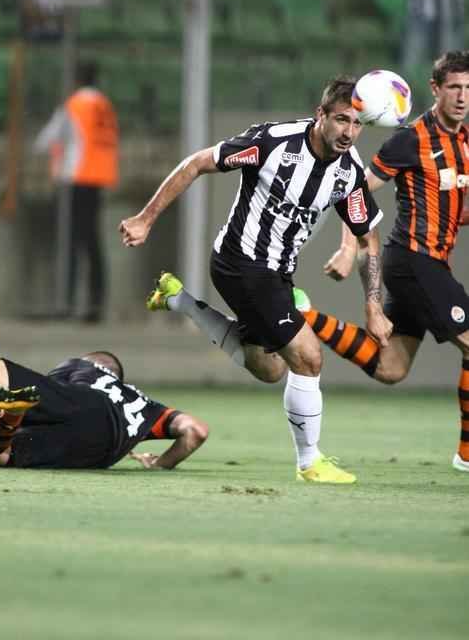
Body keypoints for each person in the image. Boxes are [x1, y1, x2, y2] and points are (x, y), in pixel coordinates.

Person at [119, 76, 393, 484]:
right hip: (240, 264)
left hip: (278, 273)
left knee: (269, 369)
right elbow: (196, 163)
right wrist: (145, 218)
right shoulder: (272, 143)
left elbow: (368, 237)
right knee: (309, 357)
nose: (349, 132)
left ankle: (179, 300)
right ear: (320, 115)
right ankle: (310, 463)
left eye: (357, 124)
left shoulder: (348, 172)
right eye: (341, 120)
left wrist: (373, 305)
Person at [294, 51, 469, 473]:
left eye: (468, 88)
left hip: (432, 262)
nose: (462, 97)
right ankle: (467, 454)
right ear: (435, 89)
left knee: (391, 367)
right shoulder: (411, 140)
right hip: (413, 260)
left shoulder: (464, 141)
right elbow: (353, 190)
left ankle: (303, 315)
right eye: (454, 88)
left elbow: (455, 206)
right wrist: (349, 247)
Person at [0, 268, 208, 471]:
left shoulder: (80, 369)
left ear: (93, 363)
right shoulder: (146, 407)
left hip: (78, 402)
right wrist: (160, 463)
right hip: (102, 447)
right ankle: (10, 414)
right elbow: (196, 430)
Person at [34, 60, 120, 322]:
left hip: (76, 179)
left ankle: (66, 302)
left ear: (75, 79)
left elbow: (45, 140)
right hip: (98, 180)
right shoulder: (104, 105)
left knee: (70, 242)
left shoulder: (74, 106)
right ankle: (96, 302)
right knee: (92, 242)